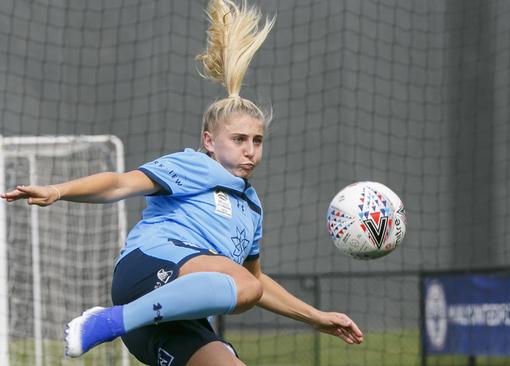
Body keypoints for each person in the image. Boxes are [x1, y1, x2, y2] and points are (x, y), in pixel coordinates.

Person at [1, 0, 364, 365]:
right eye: (239, 140)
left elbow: (255, 284)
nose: (250, 150)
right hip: (144, 275)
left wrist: (317, 318)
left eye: (257, 141)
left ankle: (117, 322)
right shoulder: (192, 165)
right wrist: (58, 190)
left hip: (167, 320)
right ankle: (106, 320)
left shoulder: (252, 207)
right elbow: (118, 184)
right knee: (244, 285)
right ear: (209, 141)